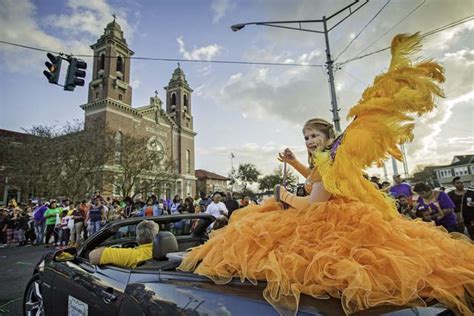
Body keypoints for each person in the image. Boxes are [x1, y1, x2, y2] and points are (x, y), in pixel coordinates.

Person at [178, 34, 474, 316]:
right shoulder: (326, 160)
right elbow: (318, 179)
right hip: (330, 212)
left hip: (327, 222)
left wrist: (286, 197)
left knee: (316, 270)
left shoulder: (333, 158)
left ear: (326, 136)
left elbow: (316, 202)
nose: (308, 141)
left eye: (313, 136)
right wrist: (295, 163)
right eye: (305, 137)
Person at [89, 220, 159, 268]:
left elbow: (93, 256)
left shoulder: (134, 255)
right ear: (156, 235)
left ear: (138, 238)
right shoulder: (167, 251)